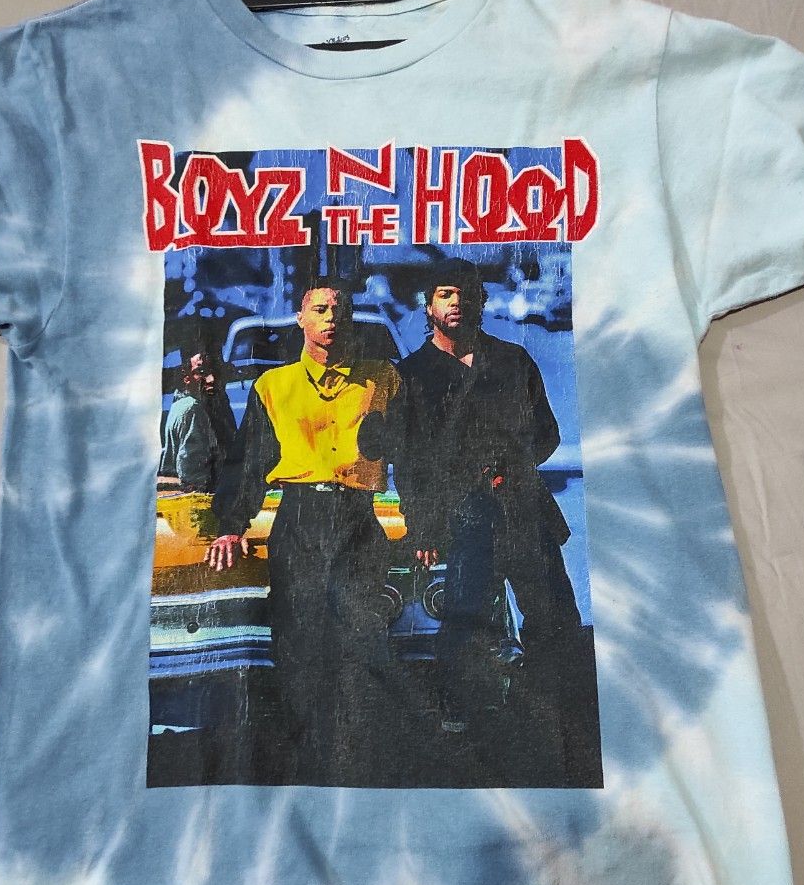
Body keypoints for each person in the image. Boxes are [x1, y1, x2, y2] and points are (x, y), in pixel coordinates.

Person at [206, 278, 402, 778]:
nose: (331, 318)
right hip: (299, 518)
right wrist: (231, 525)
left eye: (340, 309)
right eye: (320, 309)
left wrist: (427, 520)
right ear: (301, 318)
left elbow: (415, 453)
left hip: (358, 519)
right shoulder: (273, 387)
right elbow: (250, 461)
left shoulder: (383, 379)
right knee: (298, 644)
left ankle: (357, 764)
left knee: (360, 641)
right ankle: (304, 762)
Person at [388, 257, 585, 736]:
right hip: (460, 516)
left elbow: (547, 433)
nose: (457, 303)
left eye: (467, 294)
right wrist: (423, 525)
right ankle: (460, 720)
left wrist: (509, 466)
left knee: (554, 615)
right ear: (429, 306)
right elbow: (408, 461)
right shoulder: (412, 375)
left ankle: (553, 712)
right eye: (446, 294)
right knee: (464, 619)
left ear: (482, 301)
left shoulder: (513, 361)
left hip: (522, 507)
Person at [158, 350, 237, 493]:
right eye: (201, 372)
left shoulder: (183, 403)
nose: (211, 379)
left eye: (215, 371)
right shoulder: (194, 408)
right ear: (186, 377)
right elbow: (193, 473)